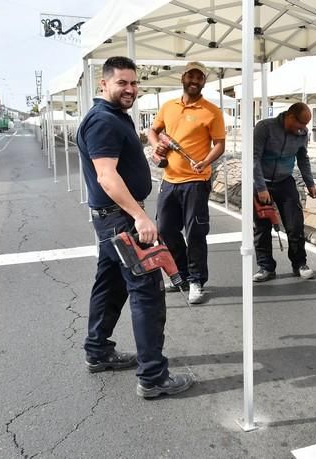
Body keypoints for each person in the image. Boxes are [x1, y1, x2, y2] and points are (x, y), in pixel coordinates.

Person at [77, 56, 193, 398]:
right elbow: (106, 176)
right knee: (147, 295)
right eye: (121, 83)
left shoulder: (114, 117)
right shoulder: (103, 121)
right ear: (104, 84)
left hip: (111, 221)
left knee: (110, 287)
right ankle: (153, 377)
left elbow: (119, 164)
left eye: (133, 83)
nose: (129, 89)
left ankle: (98, 351)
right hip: (122, 220)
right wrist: (140, 217)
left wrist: (150, 156)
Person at [148, 62, 226, 304]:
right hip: (169, 180)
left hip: (196, 181)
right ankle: (180, 274)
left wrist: (205, 162)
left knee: (195, 233)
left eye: (200, 77)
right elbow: (153, 130)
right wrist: (156, 147)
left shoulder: (212, 111)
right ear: (183, 78)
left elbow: (220, 145)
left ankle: (196, 281)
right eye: (191, 76)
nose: (195, 80)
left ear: (204, 82)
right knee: (164, 230)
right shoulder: (168, 106)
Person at [253, 102, 316, 282]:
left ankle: (299, 264)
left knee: (295, 225)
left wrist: (310, 183)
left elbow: (302, 158)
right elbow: (254, 158)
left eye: (305, 125)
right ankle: (266, 267)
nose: (303, 129)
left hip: (285, 182)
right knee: (262, 228)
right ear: (290, 117)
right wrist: (261, 188)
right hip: (262, 182)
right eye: (300, 124)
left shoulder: (302, 133)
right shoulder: (265, 128)